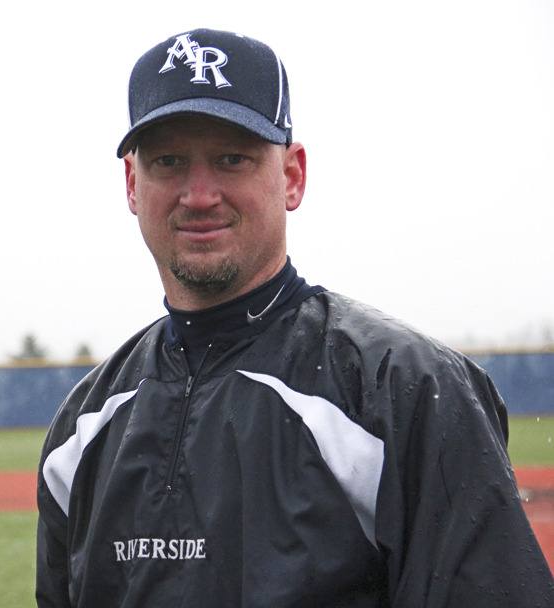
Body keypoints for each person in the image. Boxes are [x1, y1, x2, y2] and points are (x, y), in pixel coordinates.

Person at [36, 28, 552, 607]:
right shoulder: (82, 428)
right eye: (169, 162)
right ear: (133, 184)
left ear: (293, 175)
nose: (199, 194)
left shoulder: (402, 389)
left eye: (233, 159)